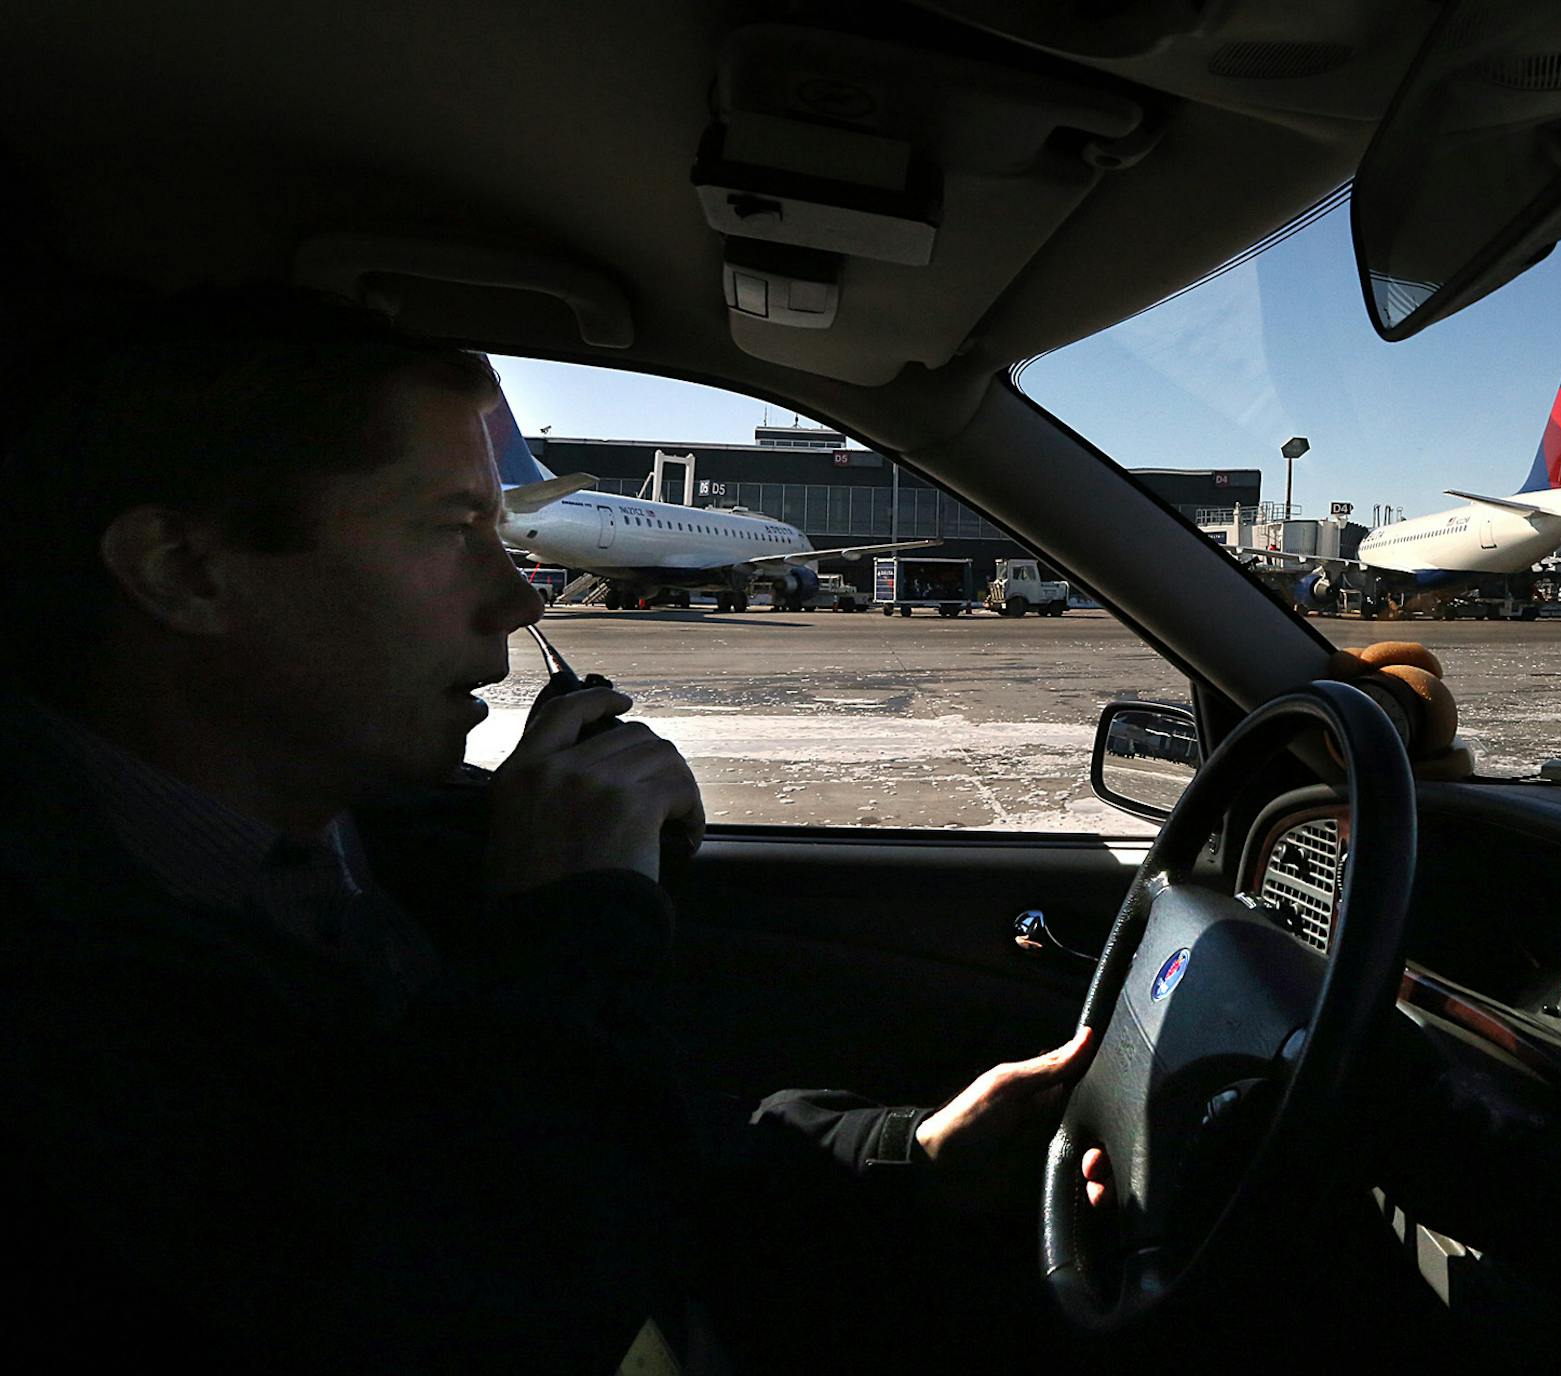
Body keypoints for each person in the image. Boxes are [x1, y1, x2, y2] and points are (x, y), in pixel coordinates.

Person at [0, 286, 1091, 1372]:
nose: (520, 599)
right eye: (451, 527)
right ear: (186, 572)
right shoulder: (54, 996)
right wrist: (572, 927)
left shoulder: (378, 838)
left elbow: (636, 1171)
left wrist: (910, 1154)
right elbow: (463, 1304)